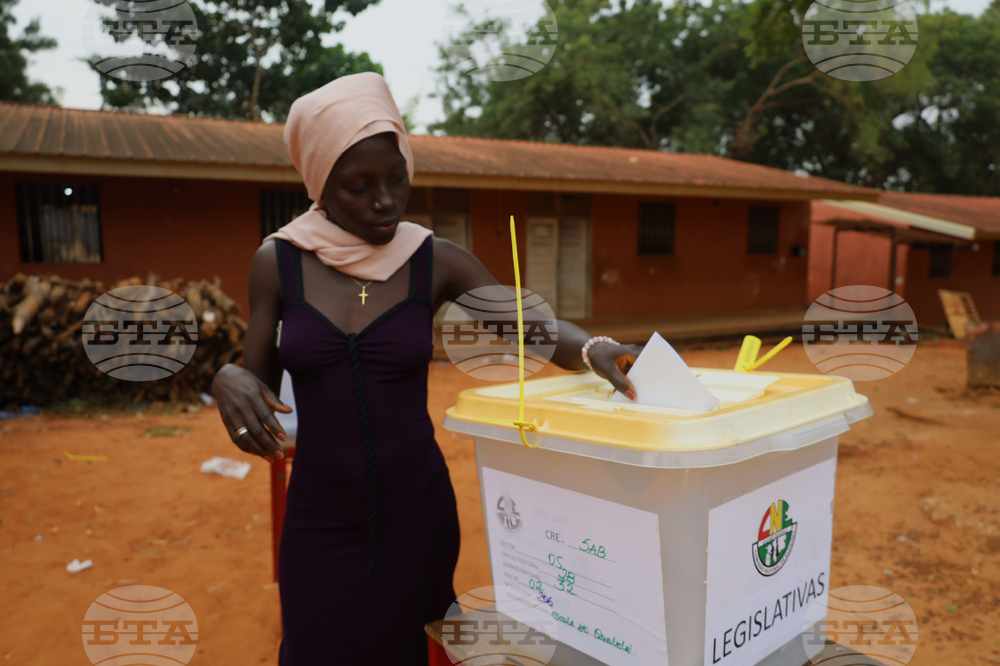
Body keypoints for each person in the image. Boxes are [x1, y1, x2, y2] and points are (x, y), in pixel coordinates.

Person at [210, 72, 643, 665]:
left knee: (411, 652)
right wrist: (226, 380)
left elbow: (529, 326)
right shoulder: (277, 263)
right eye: (359, 185)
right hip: (318, 521)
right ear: (320, 182)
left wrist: (594, 347)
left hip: (418, 517)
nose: (385, 200)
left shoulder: (432, 259)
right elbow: (252, 380)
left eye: (396, 177)